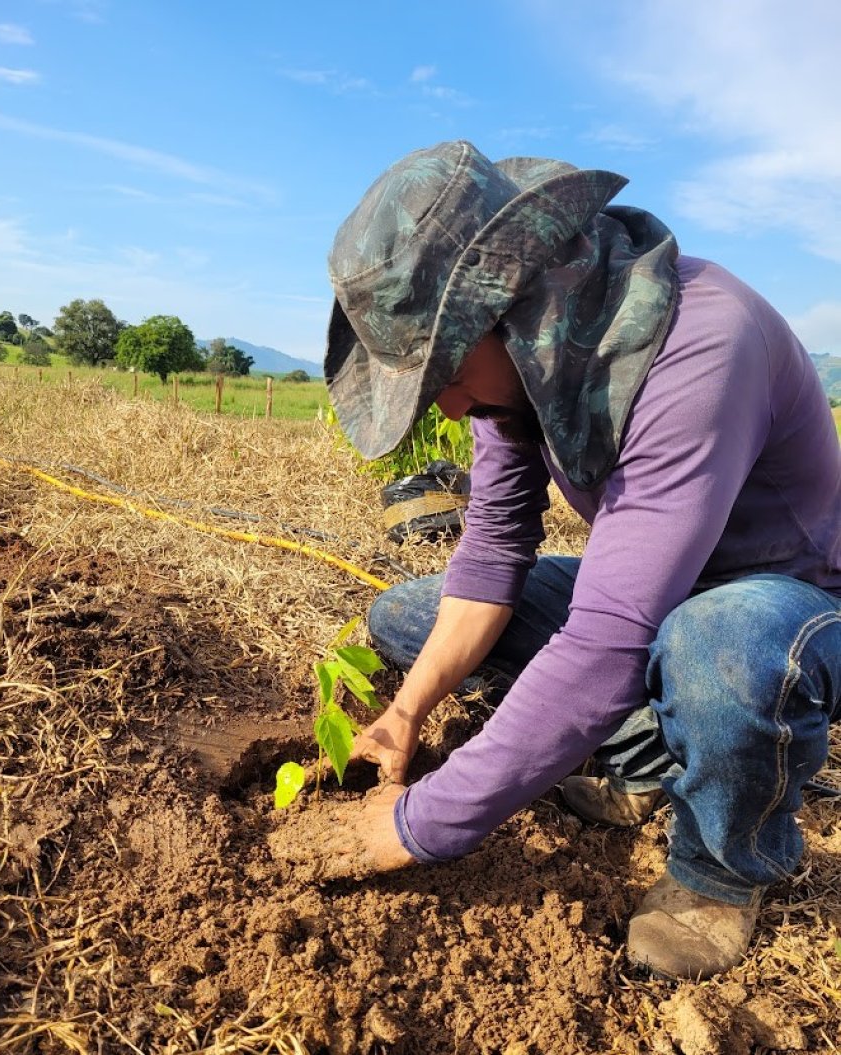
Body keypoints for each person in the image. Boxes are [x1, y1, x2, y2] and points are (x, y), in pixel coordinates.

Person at [317, 140, 841, 979]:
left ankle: (721, 866)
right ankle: (647, 762)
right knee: (410, 617)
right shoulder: (525, 370)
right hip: (662, 595)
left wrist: (418, 824)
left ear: (511, 305)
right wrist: (406, 710)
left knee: (722, 642)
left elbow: (606, 642)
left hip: (785, 605)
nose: (448, 401)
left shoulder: (702, 347)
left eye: (445, 367)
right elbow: (491, 550)